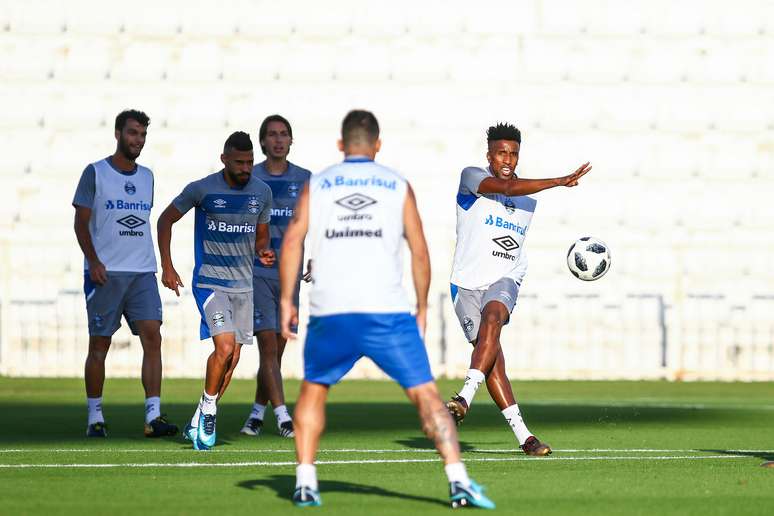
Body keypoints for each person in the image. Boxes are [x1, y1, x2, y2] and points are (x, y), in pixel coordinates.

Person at [279, 110, 495, 509]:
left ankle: (306, 482)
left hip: (332, 311)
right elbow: (419, 250)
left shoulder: (319, 182)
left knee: (314, 391)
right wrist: (423, 308)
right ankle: (458, 480)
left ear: (342, 145)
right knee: (428, 398)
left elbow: (292, 240)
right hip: (387, 313)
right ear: (377, 145)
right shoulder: (397, 185)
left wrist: (287, 301)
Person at [446, 122, 592, 456]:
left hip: (506, 275)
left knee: (494, 318)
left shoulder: (528, 199)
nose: (507, 159)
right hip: (465, 284)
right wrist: (558, 181)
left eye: (513, 153)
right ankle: (526, 438)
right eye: (501, 153)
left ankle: (464, 398)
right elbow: (506, 190)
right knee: (493, 361)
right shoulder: (471, 178)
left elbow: (514, 195)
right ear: (489, 156)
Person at [156, 131, 273, 451]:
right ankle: (209, 410)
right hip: (209, 282)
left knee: (232, 358)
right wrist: (166, 265)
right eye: (239, 162)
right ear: (224, 159)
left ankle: (199, 417)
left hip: (244, 286)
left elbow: (261, 237)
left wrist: (264, 251)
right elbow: (165, 220)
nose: (246, 168)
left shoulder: (262, 193)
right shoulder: (202, 189)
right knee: (223, 348)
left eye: (250, 162)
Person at [72, 109, 178, 438]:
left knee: (153, 337)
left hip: (142, 271)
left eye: (143, 135)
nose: (138, 141)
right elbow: (80, 222)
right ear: (118, 134)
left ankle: (153, 416)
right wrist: (94, 260)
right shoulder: (95, 172)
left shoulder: (147, 176)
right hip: (106, 273)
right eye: (133, 133)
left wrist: (162, 265)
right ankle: (95, 417)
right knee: (99, 346)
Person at [240, 115, 312, 439]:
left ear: (291, 141)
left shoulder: (305, 179)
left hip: (290, 275)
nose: (278, 140)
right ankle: (284, 417)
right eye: (272, 135)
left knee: (277, 352)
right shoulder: (250, 178)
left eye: (284, 134)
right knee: (267, 344)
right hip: (257, 272)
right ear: (263, 141)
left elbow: (319, 221)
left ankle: (256, 414)